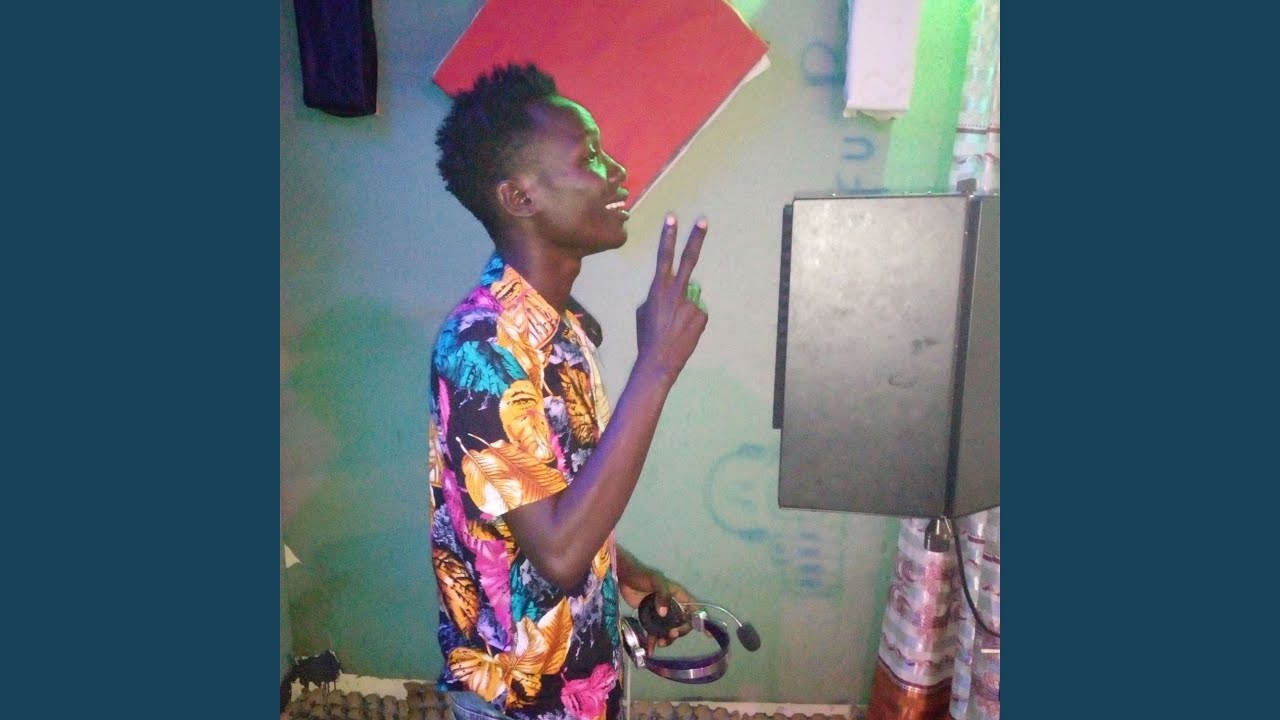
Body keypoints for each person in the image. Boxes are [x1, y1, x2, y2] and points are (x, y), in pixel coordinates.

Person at [426, 63, 711, 720]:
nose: (618, 172)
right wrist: (656, 368)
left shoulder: (566, 327)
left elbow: (551, 505)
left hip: (584, 679)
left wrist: (630, 576)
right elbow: (556, 553)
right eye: (590, 158)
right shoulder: (479, 348)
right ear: (519, 198)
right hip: (519, 703)